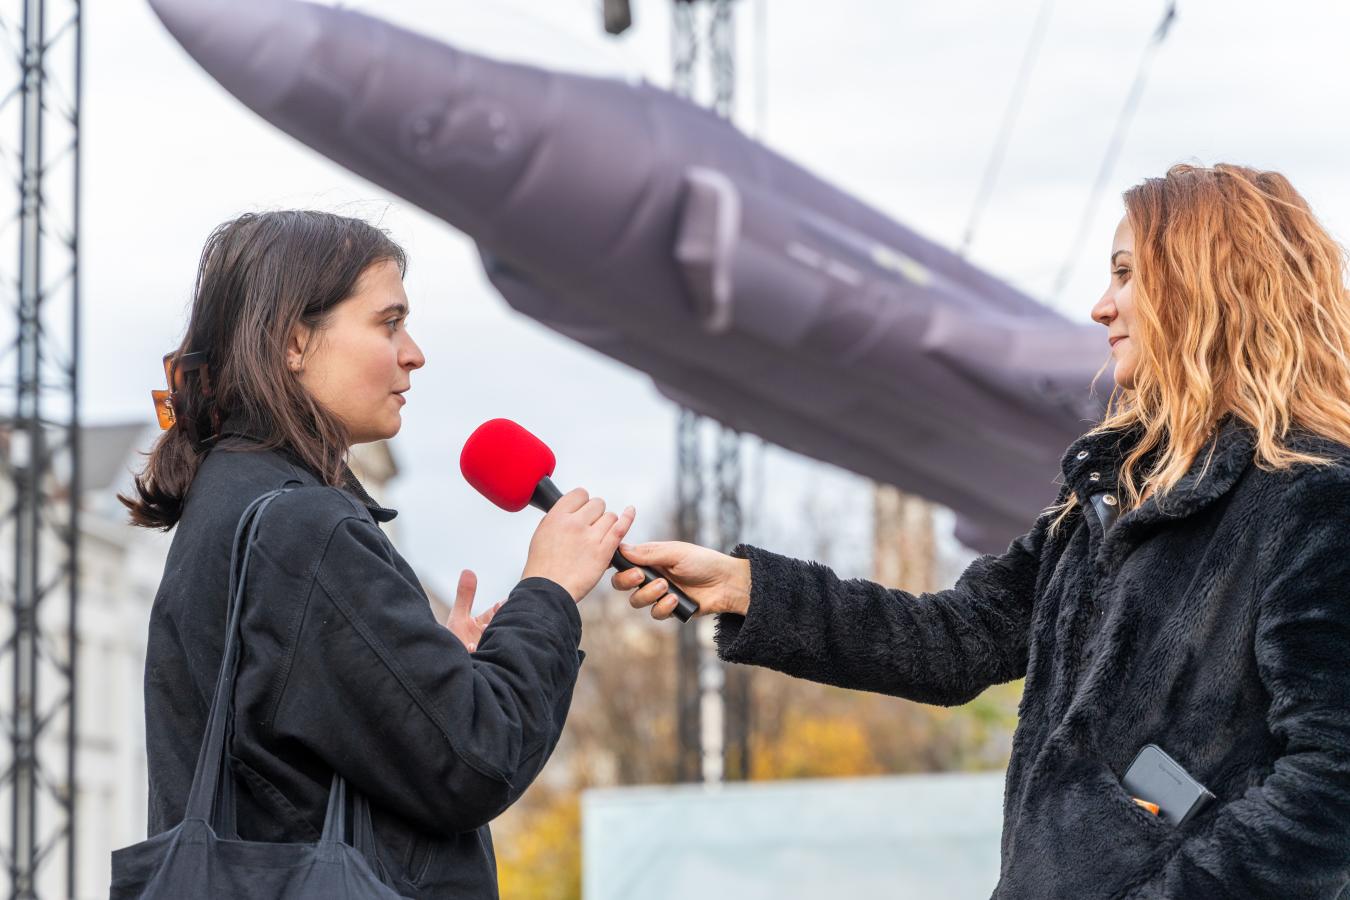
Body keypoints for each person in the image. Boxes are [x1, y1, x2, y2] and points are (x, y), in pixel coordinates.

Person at [614, 164, 1350, 899]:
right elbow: (957, 639)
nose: (1101, 307)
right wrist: (748, 589)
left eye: (1126, 274)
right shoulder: (1111, 489)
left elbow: (1331, 787)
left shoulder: (1316, 499)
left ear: (1206, 285)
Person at [122, 210, 632, 899]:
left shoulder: (229, 498)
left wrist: (423, 671)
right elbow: (478, 758)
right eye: (389, 324)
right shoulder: (303, 527)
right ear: (294, 341)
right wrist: (549, 590)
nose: (413, 353)